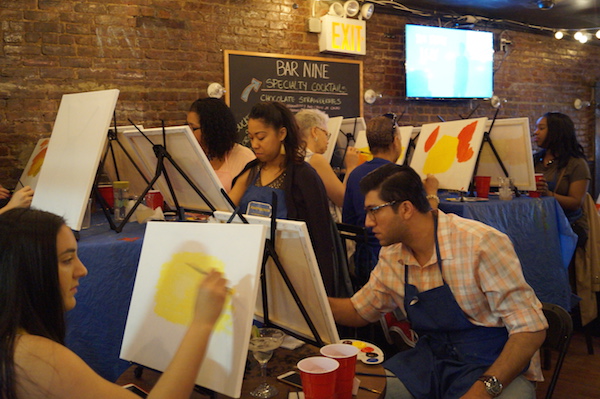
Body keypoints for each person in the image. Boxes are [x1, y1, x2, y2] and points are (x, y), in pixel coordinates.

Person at [329, 164, 548, 399]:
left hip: (489, 363)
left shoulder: (480, 244)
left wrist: (483, 389)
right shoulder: (393, 255)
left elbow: (530, 330)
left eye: (374, 210)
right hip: (430, 363)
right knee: (363, 392)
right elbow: (359, 310)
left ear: (405, 209)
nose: (368, 222)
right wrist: (304, 299)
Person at [0, 208, 227, 399]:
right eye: (67, 260)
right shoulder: (33, 357)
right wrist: (202, 323)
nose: (82, 270)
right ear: (26, 271)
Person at [229, 101, 349, 297]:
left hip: (292, 274)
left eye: (261, 137)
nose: (255, 145)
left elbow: (321, 239)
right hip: (251, 268)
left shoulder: (304, 176)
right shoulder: (251, 171)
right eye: (251, 138)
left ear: (282, 134)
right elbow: (225, 211)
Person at [342, 115, 439, 286]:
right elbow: (427, 223)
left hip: (362, 261)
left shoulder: (355, 174)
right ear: (395, 142)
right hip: (394, 261)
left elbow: (348, 221)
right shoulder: (400, 176)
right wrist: (431, 193)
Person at [187, 98, 255, 192]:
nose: (189, 133)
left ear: (211, 129)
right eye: (187, 127)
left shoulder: (245, 158)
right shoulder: (192, 157)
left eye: (193, 128)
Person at [295, 108, 359, 208]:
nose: (327, 141)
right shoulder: (315, 160)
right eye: (326, 134)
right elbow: (343, 200)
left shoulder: (293, 155)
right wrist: (351, 167)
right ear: (315, 131)